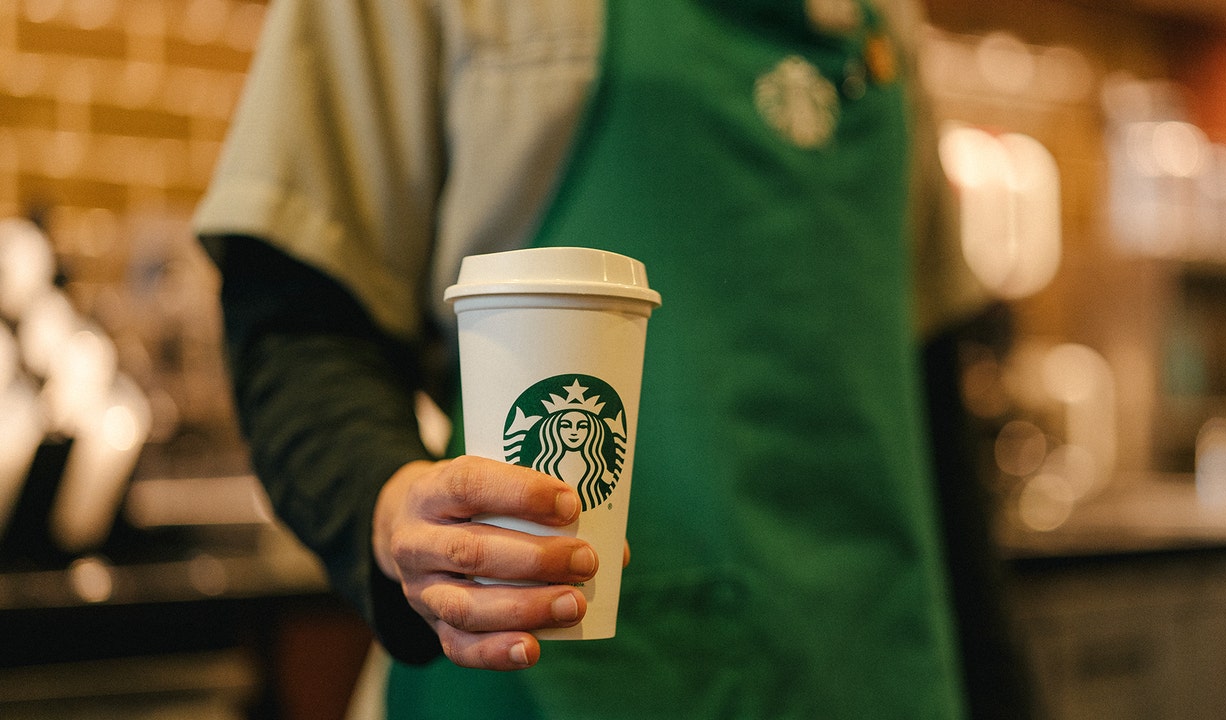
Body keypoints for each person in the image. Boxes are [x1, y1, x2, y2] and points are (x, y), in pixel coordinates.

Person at [195, 0, 1034, 717]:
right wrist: (386, 507)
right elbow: (297, 315)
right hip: (553, 690)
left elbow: (925, 396)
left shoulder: (890, 19)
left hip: (870, 676)